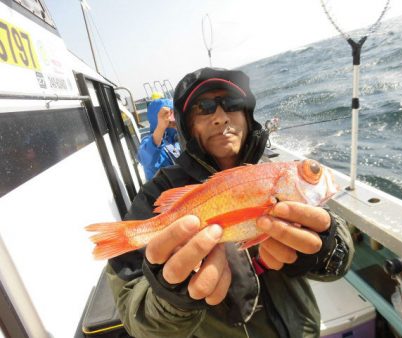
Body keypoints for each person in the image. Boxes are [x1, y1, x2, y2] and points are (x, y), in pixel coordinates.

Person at [106, 67, 354, 338]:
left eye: (233, 104)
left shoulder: (274, 171)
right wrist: (171, 299)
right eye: (204, 108)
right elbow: (135, 317)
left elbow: (338, 262)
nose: (221, 117)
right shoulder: (157, 193)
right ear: (186, 125)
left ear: (247, 116)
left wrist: (326, 247)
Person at [137, 97, 181, 180]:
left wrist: (179, 127)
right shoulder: (148, 141)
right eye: (167, 114)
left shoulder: (178, 138)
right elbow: (146, 158)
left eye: (173, 113)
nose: (170, 117)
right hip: (165, 190)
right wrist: (161, 127)